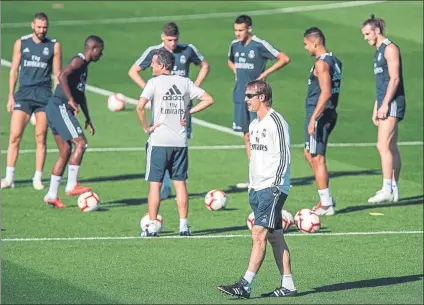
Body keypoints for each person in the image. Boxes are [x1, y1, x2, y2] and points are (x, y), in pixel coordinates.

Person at [218, 80, 297, 299]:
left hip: (272, 187)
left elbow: (284, 157)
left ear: (262, 97)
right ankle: (288, 285)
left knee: (258, 233)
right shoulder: (254, 125)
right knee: (275, 237)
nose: (246, 100)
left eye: (250, 96)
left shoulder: (276, 123)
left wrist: (275, 185)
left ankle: (245, 284)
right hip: (257, 187)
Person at [136, 49, 214, 237]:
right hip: (180, 141)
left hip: (159, 142)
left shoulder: (153, 83)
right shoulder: (185, 82)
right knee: (180, 184)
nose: (151, 66)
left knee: (155, 184)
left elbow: (139, 107)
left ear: (162, 65)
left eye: (154, 63)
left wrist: (147, 127)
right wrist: (189, 113)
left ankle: (152, 226)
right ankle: (183, 226)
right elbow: (208, 99)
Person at [129, 22, 209, 200]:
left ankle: (175, 182)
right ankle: (166, 185)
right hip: (162, 108)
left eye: (175, 39)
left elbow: (204, 65)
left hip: (181, 108)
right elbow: (133, 71)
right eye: (169, 39)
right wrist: (150, 92)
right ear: (162, 37)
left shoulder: (187, 50)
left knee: (180, 141)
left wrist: (194, 88)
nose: (173, 43)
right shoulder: (154, 52)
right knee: (162, 140)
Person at [227, 15, 290, 189]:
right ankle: (254, 176)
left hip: (257, 98)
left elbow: (284, 58)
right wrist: (237, 73)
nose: (237, 33)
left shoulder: (259, 45)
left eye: (241, 30)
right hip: (240, 96)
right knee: (247, 136)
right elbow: (230, 61)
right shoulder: (234, 45)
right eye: (236, 30)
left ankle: (272, 174)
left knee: (262, 136)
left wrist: (264, 75)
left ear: (249, 29)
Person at [1, 12, 62, 190]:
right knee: (14, 136)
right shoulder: (21, 43)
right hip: (24, 95)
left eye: (45, 27)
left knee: (40, 137)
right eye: (39, 27)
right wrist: (11, 96)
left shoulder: (54, 46)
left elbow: (57, 74)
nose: (42, 30)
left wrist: (57, 98)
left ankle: (37, 177)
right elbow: (13, 71)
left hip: (44, 96)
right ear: (32, 26)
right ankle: (9, 177)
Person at [43, 35, 104, 208]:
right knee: (81, 143)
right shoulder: (78, 61)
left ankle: (51, 195)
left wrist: (88, 118)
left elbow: (81, 95)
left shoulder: (84, 67)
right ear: (93, 49)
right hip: (60, 106)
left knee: (65, 151)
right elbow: (61, 76)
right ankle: (71, 184)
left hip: (55, 108)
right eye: (100, 50)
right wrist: (69, 99)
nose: (101, 54)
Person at [361, 14, 405, 204]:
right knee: (392, 147)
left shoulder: (390, 49)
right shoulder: (378, 51)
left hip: (393, 102)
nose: (366, 38)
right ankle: (394, 188)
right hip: (385, 101)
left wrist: (386, 103)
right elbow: (382, 83)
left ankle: (387, 188)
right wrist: (376, 106)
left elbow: (394, 79)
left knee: (383, 146)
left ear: (377, 31)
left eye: (368, 33)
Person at [303, 27, 342, 216]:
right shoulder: (335, 61)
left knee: (317, 158)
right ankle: (326, 196)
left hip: (319, 115)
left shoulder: (321, 64)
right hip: (327, 114)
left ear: (315, 42)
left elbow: (325, 92)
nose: (305, 48)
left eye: (306, 44)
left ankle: (326, 204)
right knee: (309, 154)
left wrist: (313, 118)